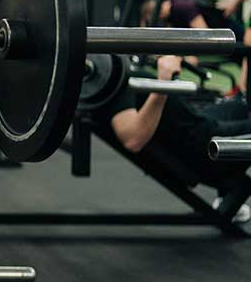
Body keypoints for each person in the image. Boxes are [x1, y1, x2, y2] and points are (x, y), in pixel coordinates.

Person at [96, 55, 251, 223]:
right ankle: (230, 182)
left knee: (240, 105)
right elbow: (133, 140)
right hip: (203, 145)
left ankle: (229, 189)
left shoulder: (111, 76)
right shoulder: (112, 89)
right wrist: (163, 83)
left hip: (199, 123)